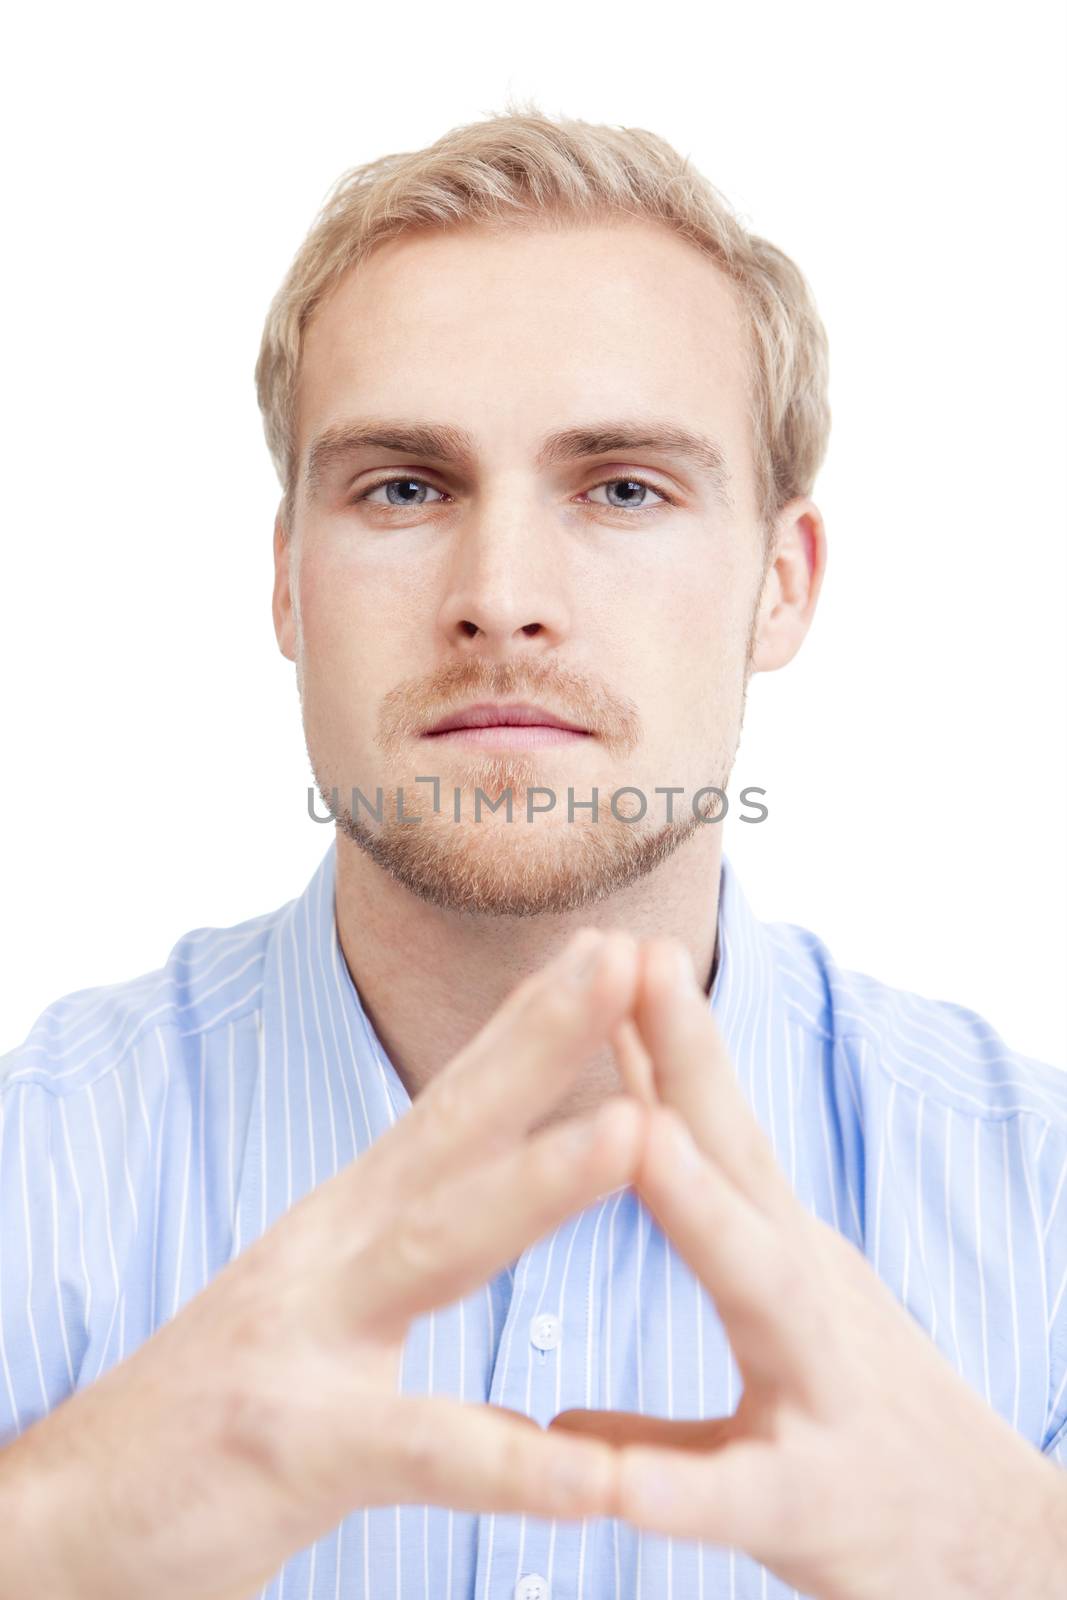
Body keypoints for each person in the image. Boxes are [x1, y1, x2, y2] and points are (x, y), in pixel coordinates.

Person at [1, 106, 1064, 1600]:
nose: (501, 599)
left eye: (623, 487)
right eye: (403, 488)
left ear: (780, 586)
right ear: (288, 584)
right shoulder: (29, 1170)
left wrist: (1023, 1562)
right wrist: (46, 1536)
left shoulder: (1040, 1204)